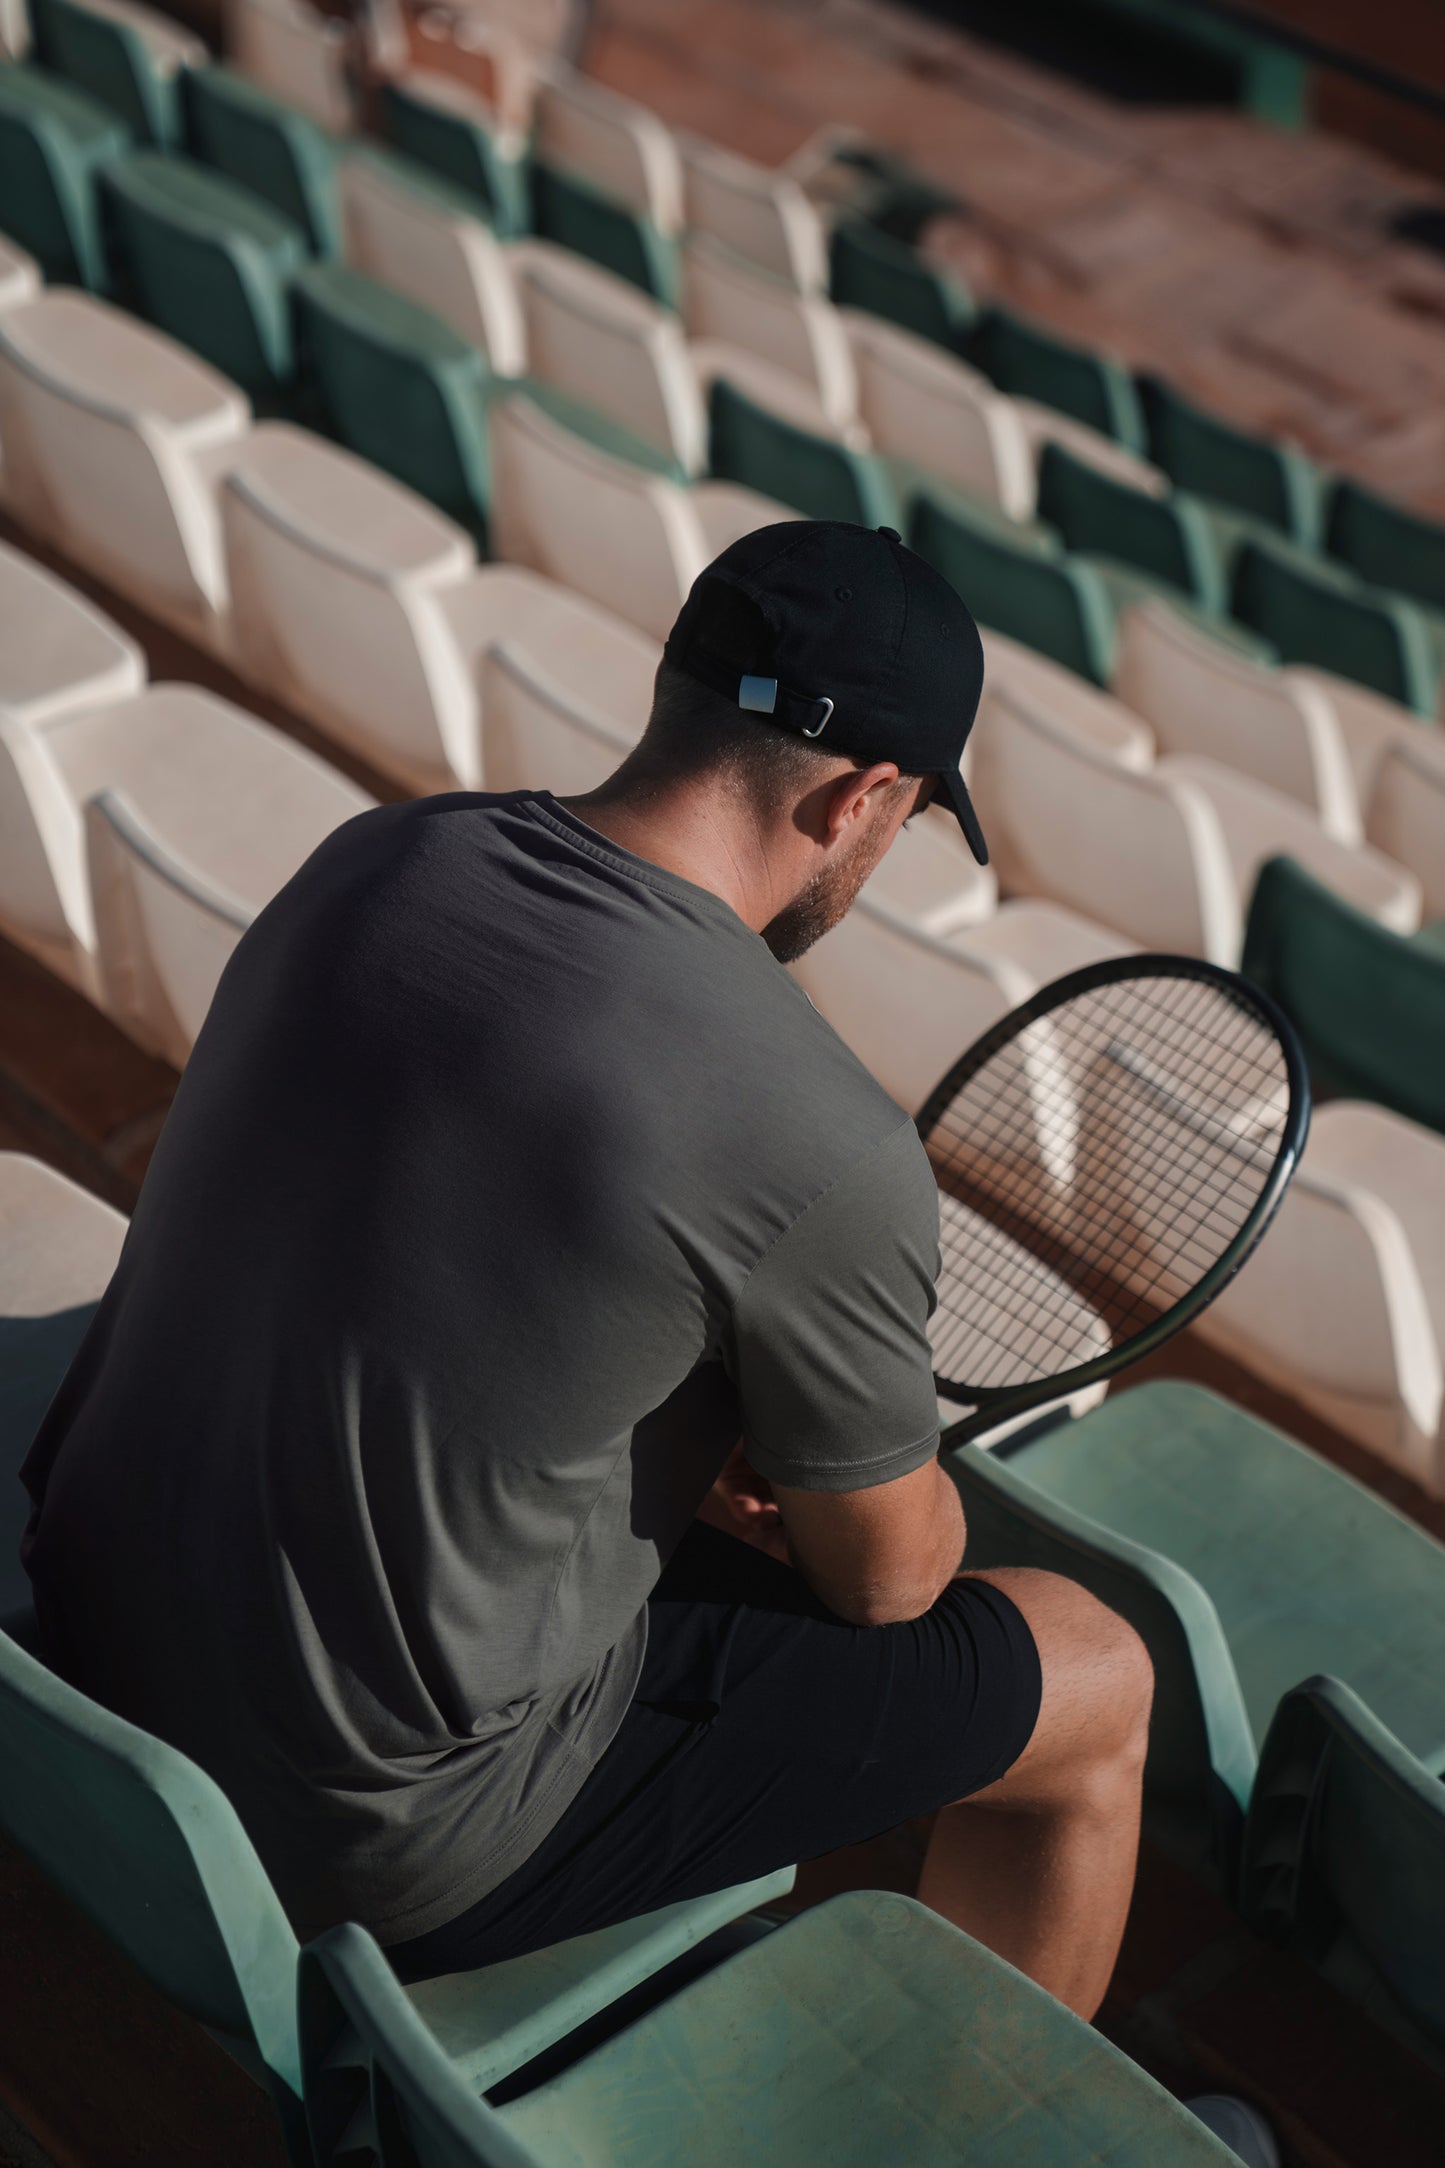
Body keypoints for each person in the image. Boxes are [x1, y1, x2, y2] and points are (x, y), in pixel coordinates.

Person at [21, 521, 1151, 2020]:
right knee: (1091, 1675)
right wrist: (866, 1482)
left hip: (83, 1649)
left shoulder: (383, 851)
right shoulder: (821, 1140)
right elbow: (889, 1586)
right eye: (904, 824)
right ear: (863, 796)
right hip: (372, 1834)